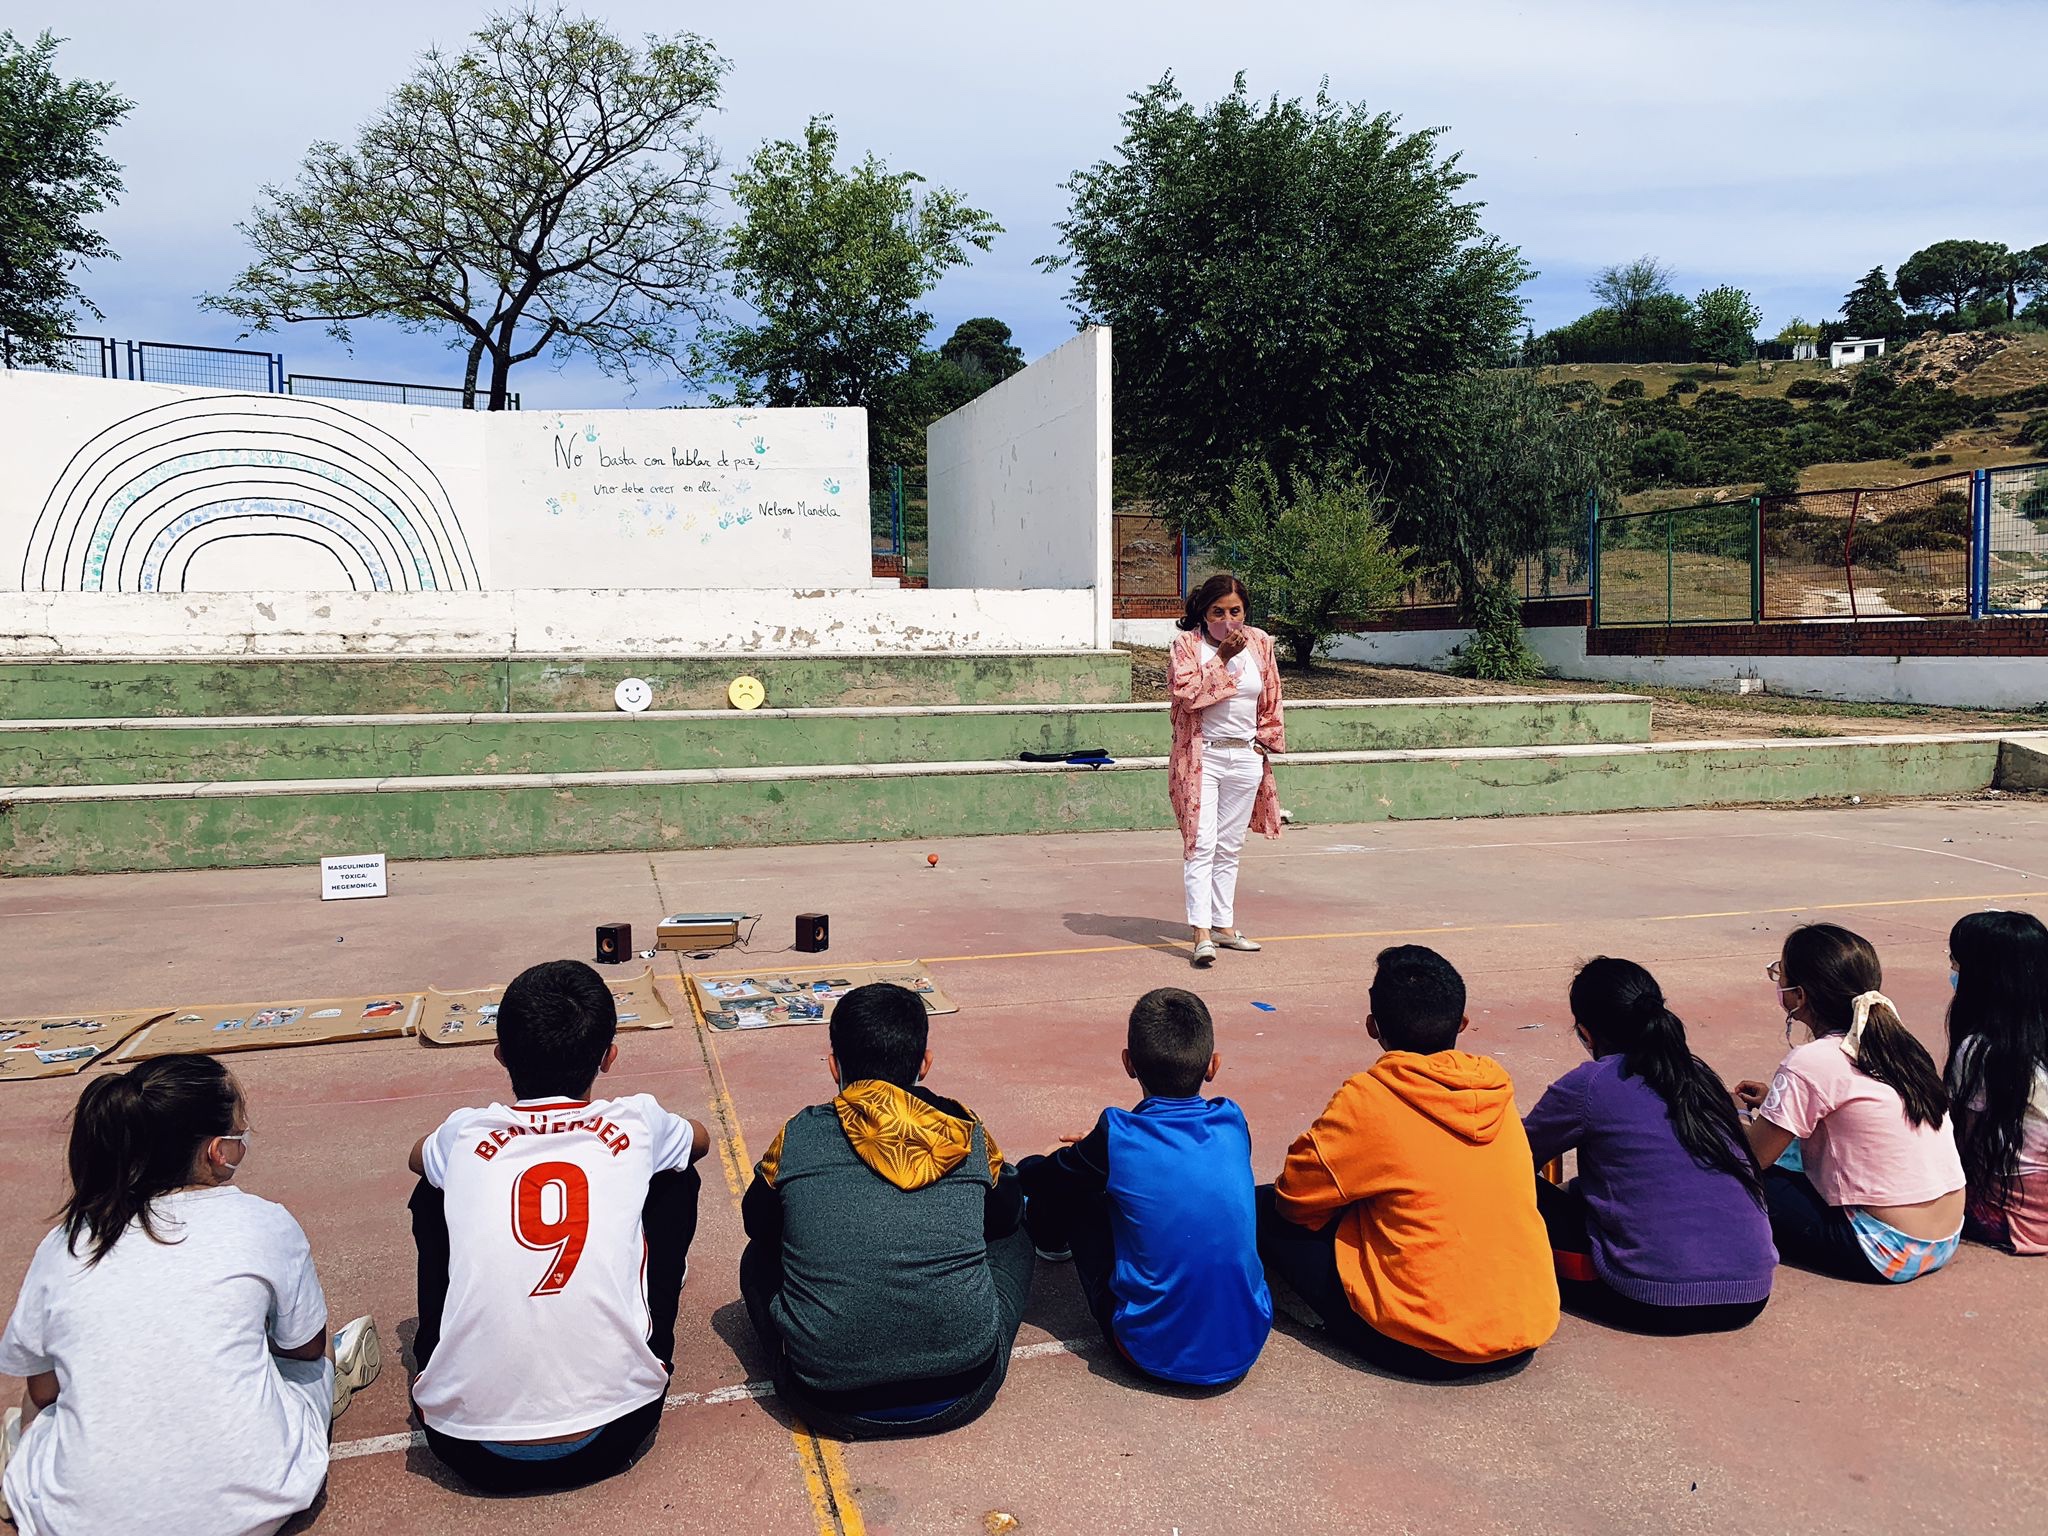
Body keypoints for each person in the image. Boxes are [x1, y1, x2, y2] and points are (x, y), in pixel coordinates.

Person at [0, 1054, 379, 1536]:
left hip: (81, 1524)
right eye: (243, 1131)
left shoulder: (67, 1241)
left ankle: (27, 1467)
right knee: (306, 1362)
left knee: (39, 1404)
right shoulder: (264, 1222)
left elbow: (43, 1389)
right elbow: (302, 1350)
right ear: (219, 1151)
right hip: (254, 1511)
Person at [406, 959, 709, 1493]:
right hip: (618, 1428)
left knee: (434, 1187)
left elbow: (416, 1158)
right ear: (608, 1058)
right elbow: (700, 1139)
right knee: (675, 1173)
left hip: (464, 1446)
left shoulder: (465, 1130)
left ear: (500, 1055)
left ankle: (446, 1345)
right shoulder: (636, 1118)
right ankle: (652, 1295)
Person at [739, 982, 1032, 1438]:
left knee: (757, 1258)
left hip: (827, 1398)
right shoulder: (967, 1133)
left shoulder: (798, 1136)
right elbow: (1004, 1218)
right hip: (964, 1386)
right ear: (925, 1064)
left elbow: (756, 1224)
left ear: (834, 1066)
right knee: (1014, 1235)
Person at [1257, 946, 1557, 1378]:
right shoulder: (1495, 1089)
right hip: (1526, 1327)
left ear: (1372, 1027)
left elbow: (1294, 1198)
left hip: (1421, 1345)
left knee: (1261, 1208)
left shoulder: (1369, 1097)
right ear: (1463, 1024)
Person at [1018, 988, 1271, 1387]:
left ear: (1128, 1063)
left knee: (1073, 1188)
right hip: (1247, 1341)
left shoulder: (1117, 1133)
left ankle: (1049, 1240)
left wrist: (1051, 1159)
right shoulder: (1232, 1119)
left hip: (1147, 1350)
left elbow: (1042, 1178)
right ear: (1213, 1066)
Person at [1522, 958, 1775, 1333]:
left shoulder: (1590, 1084)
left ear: (1586, 1033)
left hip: (1650, 1300)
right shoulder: (1699, 1075)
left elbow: (1515, 1158)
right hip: (1750, 1294)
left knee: (1505, 1190)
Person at [1734, 924, 1965, 1284]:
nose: (1778, 984)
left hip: (1886, 1250)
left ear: (1801, 995)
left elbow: (1753, 1158)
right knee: (1793, 1156)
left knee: (1732, 1176)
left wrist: (1726, 1112)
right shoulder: (1898, 1045)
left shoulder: (1811, 1061)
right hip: (1945, 1236)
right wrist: (1775, 1103)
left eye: (1779, 973)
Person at [1167, 571, 1285, 969]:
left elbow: (1270, 696)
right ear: (1203, 612)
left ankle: (1224, 924)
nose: (1227, 620)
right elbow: (1187, 696)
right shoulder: (1188, 646)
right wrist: (1221, 659)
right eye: (1218, 611)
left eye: (1235, 611)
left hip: (1245, 756)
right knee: (1201, 843)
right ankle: (1200, 931)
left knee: (1230, 845)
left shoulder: (1260, 643)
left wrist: (1263, 741)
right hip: (1204, 756)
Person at [1942, 909, 2048, 1253]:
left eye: (1957, 963)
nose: (1954, 971)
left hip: (2017, 1219)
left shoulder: (1982, 1051)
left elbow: (1960, 1143)